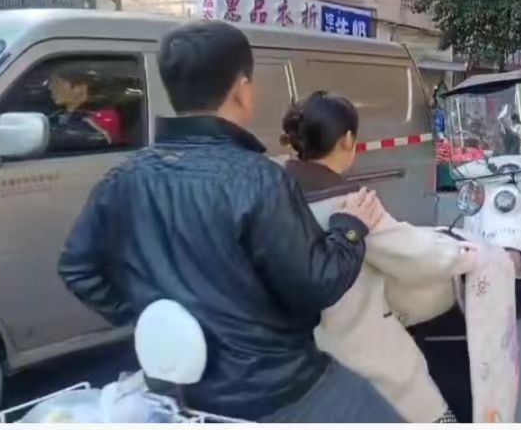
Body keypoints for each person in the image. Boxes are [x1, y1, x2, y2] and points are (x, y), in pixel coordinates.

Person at [56, 22, 402, 422]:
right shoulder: (258, 178)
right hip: (277, 389)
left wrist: (154, 316)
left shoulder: (125, 178)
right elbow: (317, 282)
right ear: (242, 89)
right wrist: (349, 228)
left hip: (178, 390)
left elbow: (77, 268)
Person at [281, 92, 478, 423]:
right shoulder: (351, 205)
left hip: (295, 371)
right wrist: (467, 252)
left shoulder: (273, 198)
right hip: (366, 366)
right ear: (348, 140)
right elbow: (418, 256)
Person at [47, 66, 121, 151]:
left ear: (79, 88)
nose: (50, 87)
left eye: (56, 83)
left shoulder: (101, 116)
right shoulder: (58, 114)